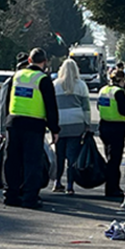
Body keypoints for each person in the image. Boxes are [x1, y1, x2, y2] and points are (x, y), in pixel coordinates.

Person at [0, 48, 60, 209]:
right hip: (34, 125)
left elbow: (6, 100)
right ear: (44, 62)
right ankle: (29, 198)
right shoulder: (43, 79)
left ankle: (10, 195)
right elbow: (50, 106)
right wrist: (54, 129)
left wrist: (5, 123)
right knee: (32, 163)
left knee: (12, 161)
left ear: (29, 61)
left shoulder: (16, 76)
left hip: (13, 123)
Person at [52, 59, 91, 194]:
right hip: (76, 123)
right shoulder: (81, 85)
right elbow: (86, 108)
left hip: (60, 123)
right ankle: (70, 185)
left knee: (59, 155)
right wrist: (87, 124)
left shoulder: (55, 85)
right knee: (72, 156)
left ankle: (57, 182)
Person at [97, 68, 125, 199]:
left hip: (104, 125)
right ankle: (112, 187)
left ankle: (110, 186)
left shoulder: (103, 90)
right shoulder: (119, 92)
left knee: (109, 157)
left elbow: (99, 107)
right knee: (115, 160)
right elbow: (123, 111)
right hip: (117, 127)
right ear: (121, 80)